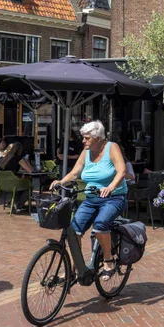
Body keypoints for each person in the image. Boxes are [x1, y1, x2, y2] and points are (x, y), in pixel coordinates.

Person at [50, 120, 128, 279]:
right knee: (74, 231)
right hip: (91, 198)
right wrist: (61, 182)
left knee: (99, 226)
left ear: (98, 138)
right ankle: (75, 268)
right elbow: (75, 172)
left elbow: (122, 171)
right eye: (83, 137)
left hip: (113, 198)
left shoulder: (111, 148)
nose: (83, 141)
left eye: (87, 138)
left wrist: (111, 187)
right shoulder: (86, 151)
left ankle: (108, 260)